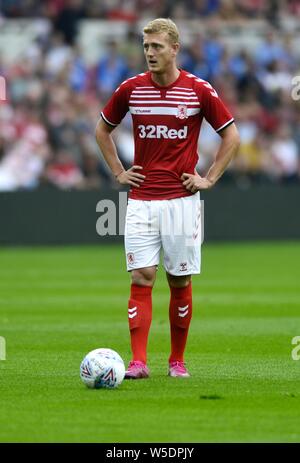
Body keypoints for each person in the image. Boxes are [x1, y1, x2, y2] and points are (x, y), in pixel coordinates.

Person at [95, 18, 240, 379]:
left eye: (157, 46)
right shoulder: (131, 89)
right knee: (142, 276)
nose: (150, 53)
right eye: (146, 46)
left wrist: (209, 178)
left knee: (179, 280)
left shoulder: (197, 90)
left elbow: (232, 136)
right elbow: (102, 129)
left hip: (181, 201)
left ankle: (177, 361)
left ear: (175, 48)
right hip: (142, 199)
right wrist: (118, 172)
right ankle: (138, 362)